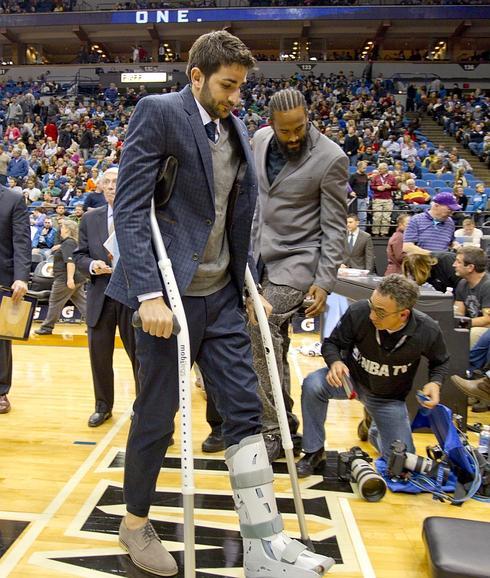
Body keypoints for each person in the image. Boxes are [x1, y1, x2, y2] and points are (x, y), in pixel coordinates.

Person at [105, 31, 331, 578]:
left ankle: (264, 542)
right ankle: (134, 525)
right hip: (166, 301)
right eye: (228, 86)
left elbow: (235, 217)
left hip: (222, 298)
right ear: (198, 77)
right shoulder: (158, 112)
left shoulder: (234, 130)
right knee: (157, 417)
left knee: (244, 411)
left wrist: (248, 284)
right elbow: (132, 210)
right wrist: (149, 294)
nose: (237, 97)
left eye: (241, 87)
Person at [235, 87, 348, 461]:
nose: (295, 135)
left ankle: (272, 430)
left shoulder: (331, 157)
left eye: (300, 127)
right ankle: (284, 422)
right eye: (287, 130)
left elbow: (334, 227)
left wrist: (323, 282)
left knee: (260, 324)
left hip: (298, 262)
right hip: (257, 256)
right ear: (272, 124)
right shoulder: (261, 139)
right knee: (272, 346)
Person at [296, 275, 449, 478]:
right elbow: (331, 343)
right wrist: (335, 362)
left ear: (403, 315)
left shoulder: (427, 330)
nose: (372, 316)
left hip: (388, 399)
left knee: (401, 466)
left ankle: (374, 428)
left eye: (380, 312)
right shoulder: (359, 311)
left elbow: (441, 361)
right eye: (372, 305)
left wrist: (435, 383)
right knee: (313, 384)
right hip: (351, 381)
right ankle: (314, 450)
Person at [74, 168, 139, 427]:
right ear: (100, 186)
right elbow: (79, 255)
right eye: (107, 182)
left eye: (116, 181)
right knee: (99, 356)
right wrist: (92, 265)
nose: (112, 185)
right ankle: (103, 406)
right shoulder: (90, 219)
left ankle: (142, 406)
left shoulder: (138, 214)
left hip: (130, 295)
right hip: (100, 294)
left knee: (139, 356)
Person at [0, 185, 31, 413]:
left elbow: (21, 241)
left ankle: (1, 392)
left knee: (0, 340)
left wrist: (21, 277)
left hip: (2, 279)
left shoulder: (13, 199)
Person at [34, 220, 87, 335]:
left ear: (67, 229)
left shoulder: (68, 242)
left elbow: (70, 262)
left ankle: (46, 327)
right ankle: (94, 325)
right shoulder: (71, 242)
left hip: (65, 279)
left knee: (55, 302)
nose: (60, 230)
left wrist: (69, 279)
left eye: (62, 227)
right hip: (77, 277)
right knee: (82, 302)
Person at [453, 246, 490, 349]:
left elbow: (488, 319)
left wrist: (462, 324)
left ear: (470, 267)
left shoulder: (487, 285)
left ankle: (468, 365)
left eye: (458, 262)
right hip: (471, 325)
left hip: (486, 329)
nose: (454, 265)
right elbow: (458, 312)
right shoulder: (462, 283)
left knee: (473, 333)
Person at [369, 162, 397, 237]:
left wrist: (390, 187)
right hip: (377, 199)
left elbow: (396, 187)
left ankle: (384, 233)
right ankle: (375, 233)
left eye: (380, 168)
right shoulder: (375, 177)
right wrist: (377, 188)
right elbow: (371, 186)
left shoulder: (392, 177)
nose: (379, 170)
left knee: (386, 217)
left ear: (385, 169)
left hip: (388, 199)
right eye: (378, 168)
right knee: (377, 216)